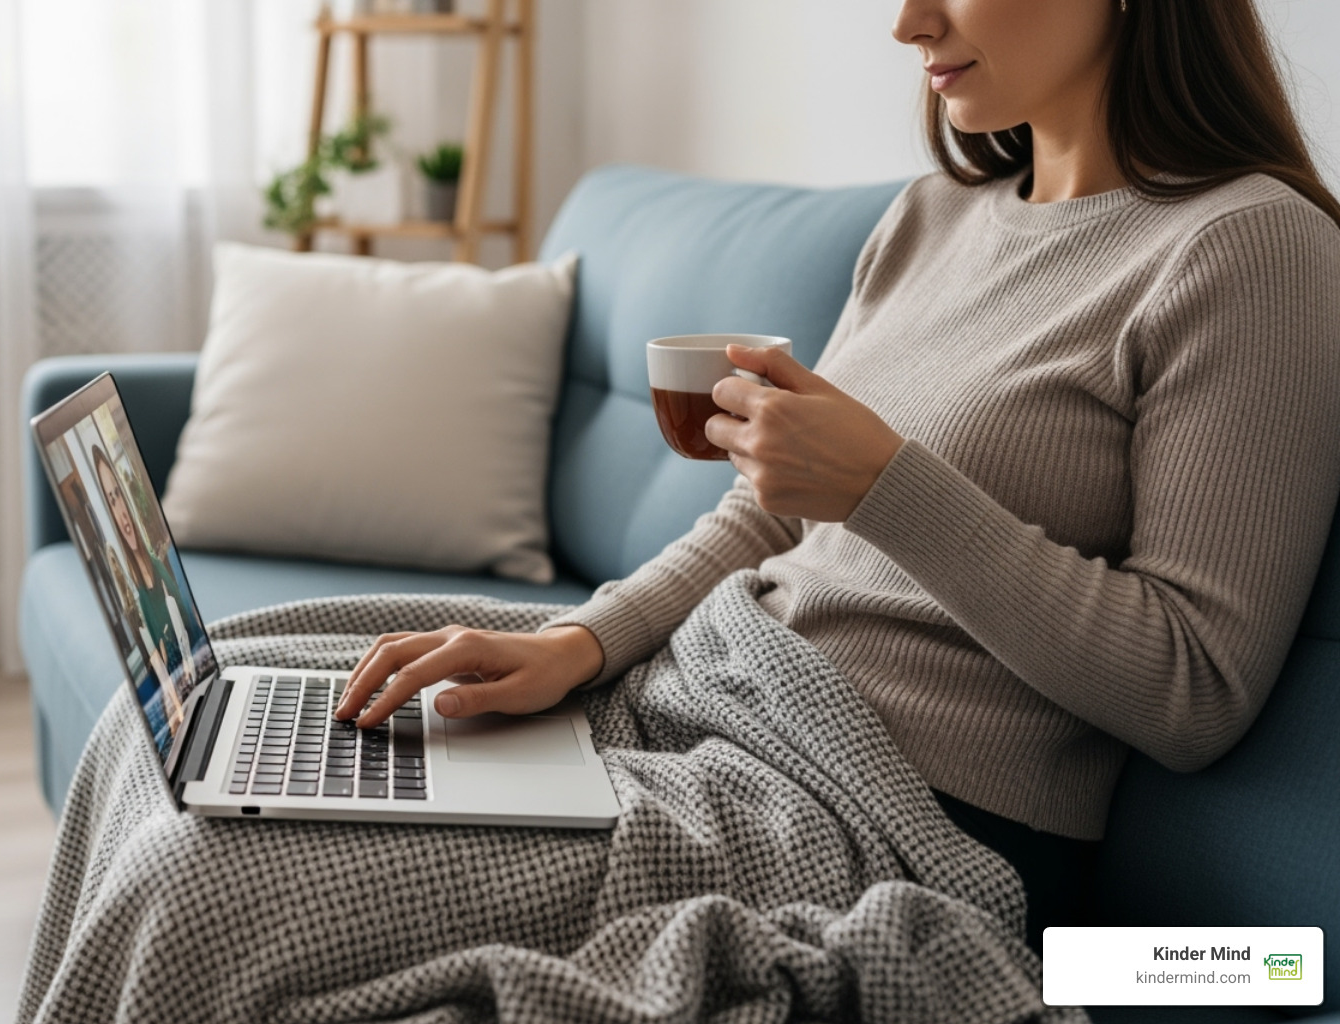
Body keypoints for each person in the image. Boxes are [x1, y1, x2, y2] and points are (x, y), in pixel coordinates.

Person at [333, 0, 1340, 952]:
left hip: (887, 819)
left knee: (222, 879)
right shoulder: (931, 218)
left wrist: (885, 486)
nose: (907, 25)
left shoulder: (1249, 248)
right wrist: (581, 641)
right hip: (703, 700)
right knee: (262, 725)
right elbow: (766, 519)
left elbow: (1195, 689)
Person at [92, 442, 192, 730]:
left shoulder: (158, 568)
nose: (121, 511)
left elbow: (188, 633)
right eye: (111, 502)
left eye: (118, 496)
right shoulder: (138, 598)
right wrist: (172, 701)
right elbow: (158, 665)